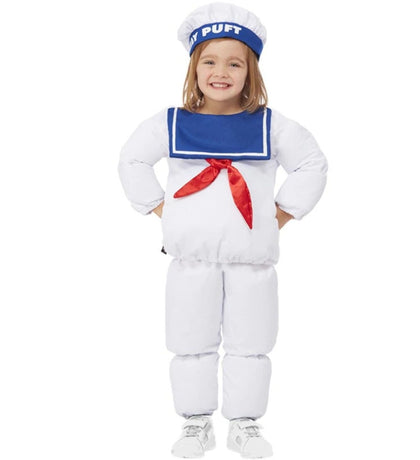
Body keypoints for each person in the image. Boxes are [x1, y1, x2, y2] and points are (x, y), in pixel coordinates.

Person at [118, 2, 328, 458]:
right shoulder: (171, 123)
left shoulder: (271, 126)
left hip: (252, 260)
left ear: (251, 72)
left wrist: (281, 215)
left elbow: (312, 164)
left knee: (251, 341)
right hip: (190, 260)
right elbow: (132, 160)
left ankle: (244, 424)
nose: (221, 72)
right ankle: (196, 422)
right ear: (194, 68)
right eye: (209, 62)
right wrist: (162, 210)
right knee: (189, 339)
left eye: (235, 64)